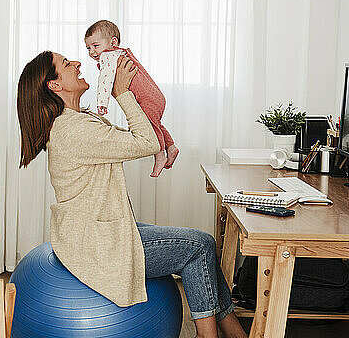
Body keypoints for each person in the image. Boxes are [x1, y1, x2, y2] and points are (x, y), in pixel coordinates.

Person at [16, 50, 248, 338]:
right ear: (54, 85)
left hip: (94, 232)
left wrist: (125, 94)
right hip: (96, 244)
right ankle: (209, 336)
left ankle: (235, 332)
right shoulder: (74, 130)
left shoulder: (77, 121)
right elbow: (146, 142)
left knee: (203, 245)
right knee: (199, 246)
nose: (76, 63)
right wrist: (123, 93)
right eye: (66, 64)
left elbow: (132, 139)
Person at [84, 20, 178, 177]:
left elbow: (104, 82)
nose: (92, 52)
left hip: (146, 98)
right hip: (155, 96)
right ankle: (171, 146)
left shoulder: (108, 57)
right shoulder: (121, 53)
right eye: (88, 48)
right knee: (154, 124)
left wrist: (102, 103)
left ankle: (160, 154)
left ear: (113, 42)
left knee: (152, 128)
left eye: (95, 45)